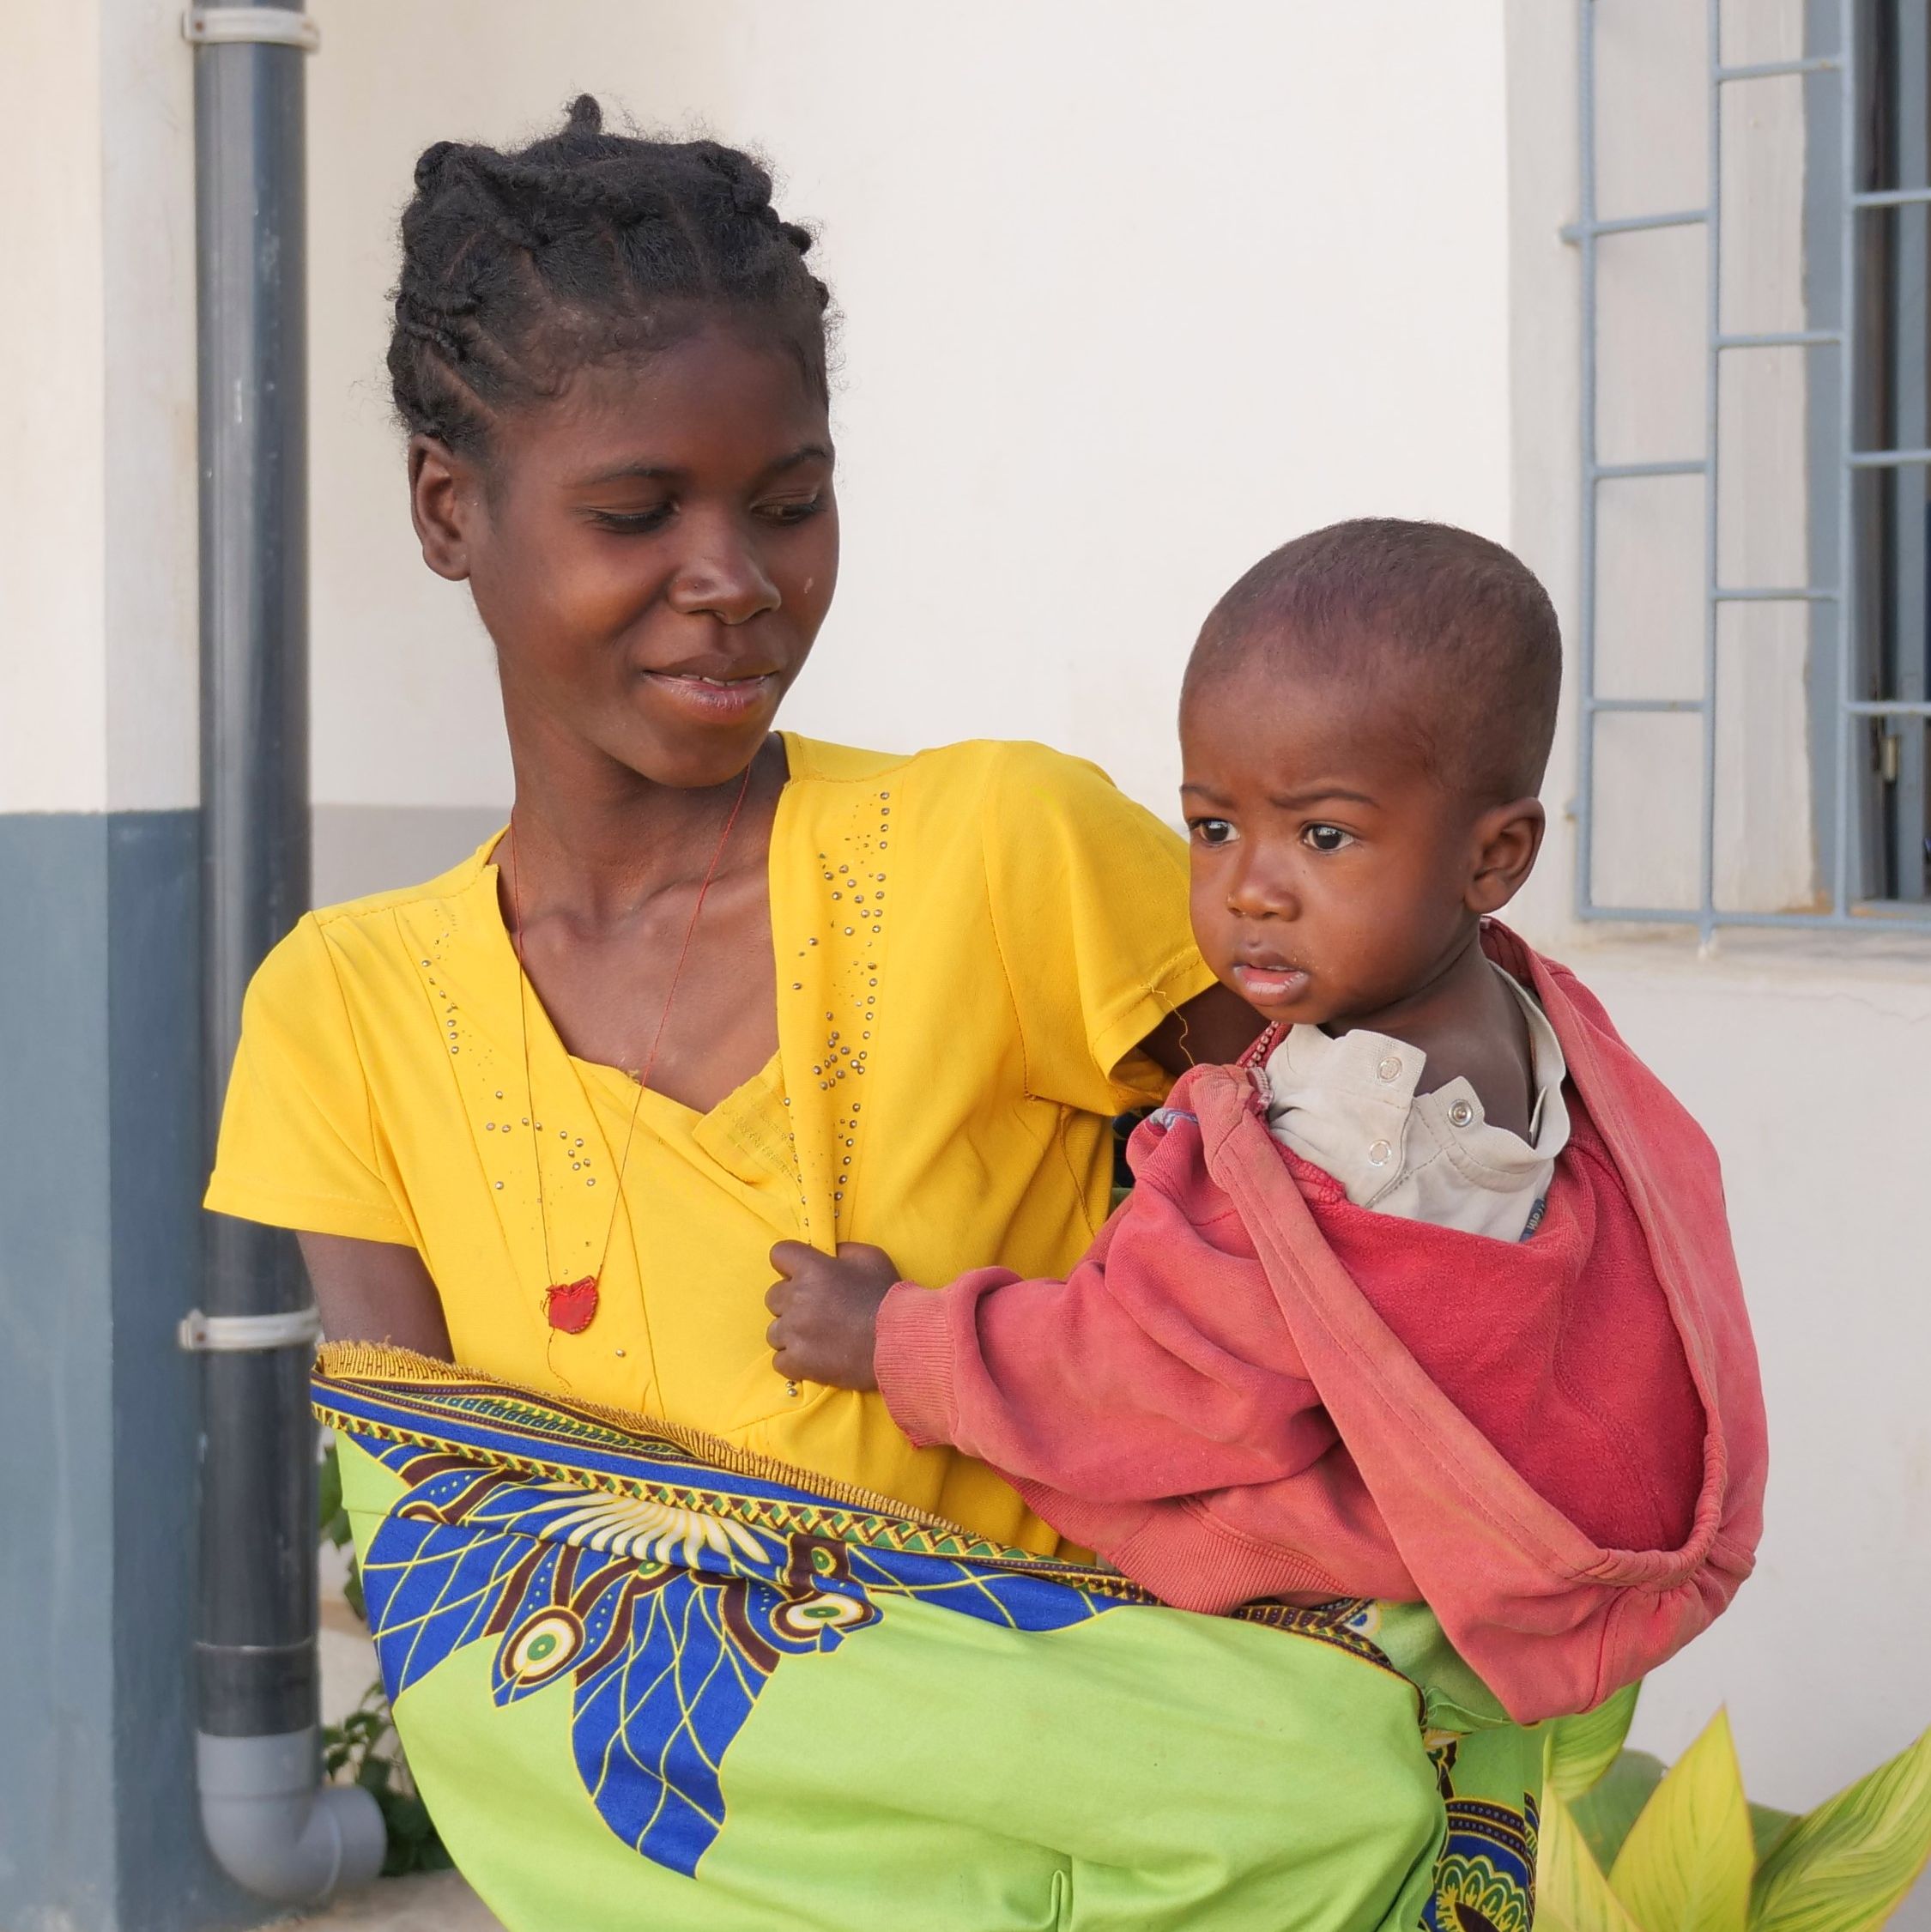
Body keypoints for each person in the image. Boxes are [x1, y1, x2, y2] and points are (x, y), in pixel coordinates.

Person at [207, 103, 1546, 1932]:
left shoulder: (1001, 851)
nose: (734, 580)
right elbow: (465, 1597)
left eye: (789, 501)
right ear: (452, 509)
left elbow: (1417, 1261)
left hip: (1164, 1855)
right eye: (635, 510)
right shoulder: (344, 1016)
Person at [766, 520, 1769, 1724]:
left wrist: (895, 1340)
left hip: (1375, 1616)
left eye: (1324, 835)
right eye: (1212, 826)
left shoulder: (1346, 1125)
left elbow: (1153, 1385)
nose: (1250, 887)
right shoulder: (1520, 1011)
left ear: (1492, 856)